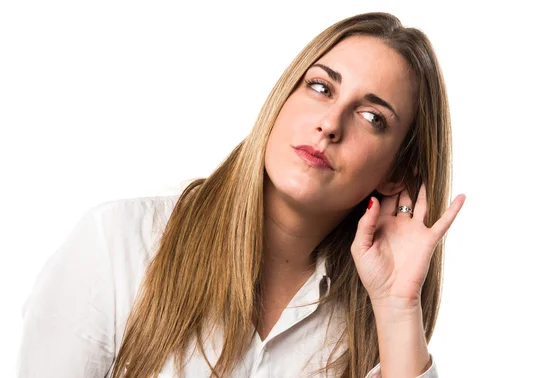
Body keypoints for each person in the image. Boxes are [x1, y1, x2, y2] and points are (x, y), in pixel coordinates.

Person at [17, 11, 465, 378]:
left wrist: (396, 306)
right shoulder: (119, 245)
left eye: (372, 117)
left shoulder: (373, 322)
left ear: (396, 173)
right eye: (320, 87)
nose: (330, 123)